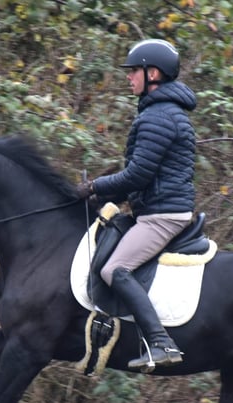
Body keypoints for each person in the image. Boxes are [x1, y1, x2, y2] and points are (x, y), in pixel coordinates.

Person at [77, 38, 197, 372]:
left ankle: (161, 343)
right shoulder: (161, 112)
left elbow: (138, 175)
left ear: (153, 73)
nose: (129, 78)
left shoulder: (158, 117)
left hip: (162, 216)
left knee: (114, 269)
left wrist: (93, 187)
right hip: (156, 208)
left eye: (134, 72)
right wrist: (102, 196)